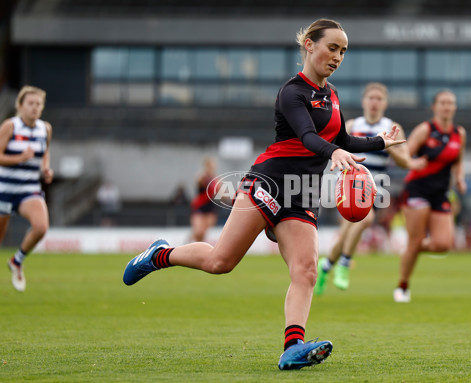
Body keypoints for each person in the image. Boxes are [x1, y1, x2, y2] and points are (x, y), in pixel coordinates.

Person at [122, 19, 406, 370]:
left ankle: (292, 347)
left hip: (301, 193)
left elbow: (342, 140)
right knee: (220, 262)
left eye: (343, 51)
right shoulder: (293, 91)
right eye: (332, 48)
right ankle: (159, 254)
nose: (338, 57)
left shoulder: (331, 95)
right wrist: (331, 153)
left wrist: (381, 142)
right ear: (310, 46)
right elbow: (307, 137)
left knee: (305, 270)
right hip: (270, 182)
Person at [314, 82, 425, 295]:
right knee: (365, 219)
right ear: (364, 101)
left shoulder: (392, 127)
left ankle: (326, 266)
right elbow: (335, 148)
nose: (374, 102)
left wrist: (387, 146)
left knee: (347, 234)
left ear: (385, 103)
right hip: (348, 184)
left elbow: (405, 162)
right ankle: (344, 264)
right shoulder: (352, 125)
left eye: (379, 99)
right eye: (371, 98)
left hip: (376, 185)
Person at [394, 89, 467, 303]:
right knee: (416, 239)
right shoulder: (425, 130)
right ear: (434, 106)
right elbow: (405, 154)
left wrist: (460, 179)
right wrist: (412, 162)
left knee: (443, 244)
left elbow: (459, 160)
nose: (447, 107)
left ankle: (410, 250)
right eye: (443, 103)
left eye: (451, 103)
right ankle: (403, 286)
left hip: (441, 192)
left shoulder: (459, 133)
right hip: (417, 189)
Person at [1, 86, 53, 292]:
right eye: (30, 103)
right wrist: (19, 158)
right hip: (4, 189)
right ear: (20, 106)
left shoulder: (45, 129)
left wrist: (46, 169)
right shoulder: (10, 126)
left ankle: (17, 261)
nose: (34, 108)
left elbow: (45, 152)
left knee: (41, 227)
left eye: (38, 104)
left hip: (29, 189)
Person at [189, 157, 220, 242]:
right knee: (199, 232)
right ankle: (188, 241)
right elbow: (199, 182)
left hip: (210, 207)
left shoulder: (215, 179)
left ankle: (198, 249)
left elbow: (219, 192)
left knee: (203, 233)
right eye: (211, 166)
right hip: (200, 206)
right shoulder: (201, 176)